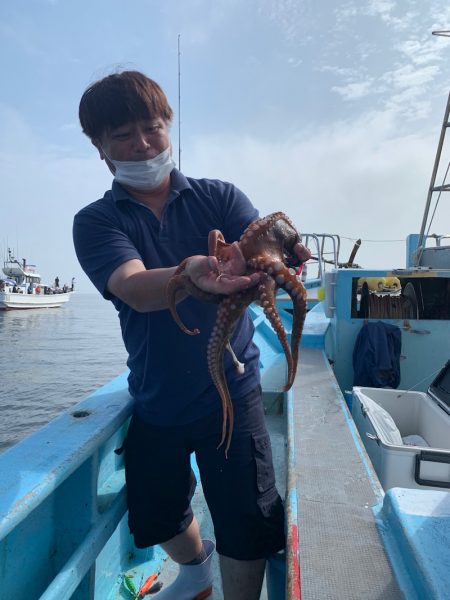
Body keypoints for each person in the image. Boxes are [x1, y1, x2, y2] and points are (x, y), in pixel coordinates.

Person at [73, 71, 309, 600]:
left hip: (234, 382)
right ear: (100, 148)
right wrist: (191, 273)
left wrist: (286, 251)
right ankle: (198, 570)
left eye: (151, 128)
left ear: (168, 128)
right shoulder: (96, 221)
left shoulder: (219, 197)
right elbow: (133, 286)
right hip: (156, 396)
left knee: (247, 518)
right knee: (156, 513)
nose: (142, 144)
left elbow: (266, 244)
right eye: (123, 135)